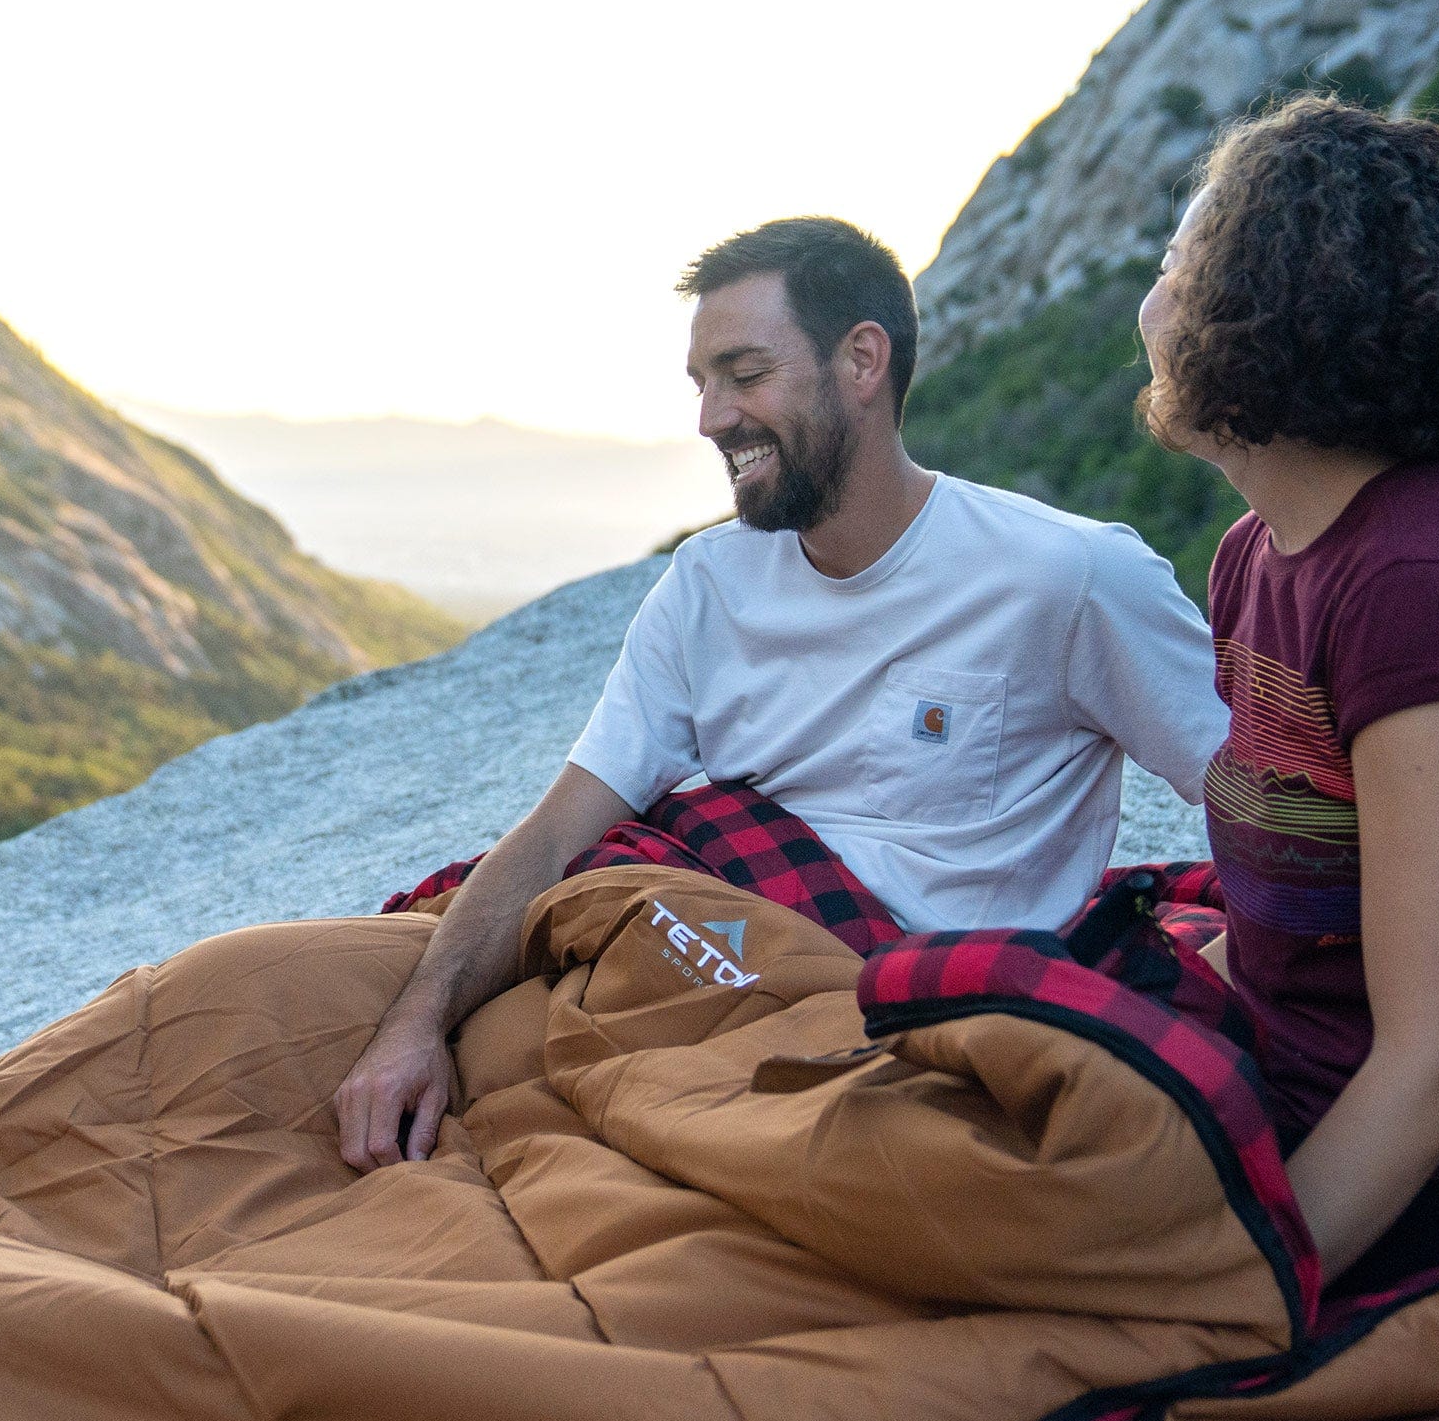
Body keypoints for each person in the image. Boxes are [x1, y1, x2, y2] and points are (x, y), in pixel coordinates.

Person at [338, 216, 1227, 1171]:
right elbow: (561, 833)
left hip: (911, 1040)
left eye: (745, 374)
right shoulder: (706, 586)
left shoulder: (1069, 576)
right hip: (710, 975)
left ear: (861, 361)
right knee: (290, 1003)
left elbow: (1259, 809)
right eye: (703, 383)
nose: (712, 417)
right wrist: (413, 1025)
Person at [1138, 96, 1439, 1297]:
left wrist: (1235, 1300)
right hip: (1289, 1089)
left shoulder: (1429, 590)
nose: (1145, 306)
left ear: (1263, 312)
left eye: (1175, 266)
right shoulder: (1258, 552)